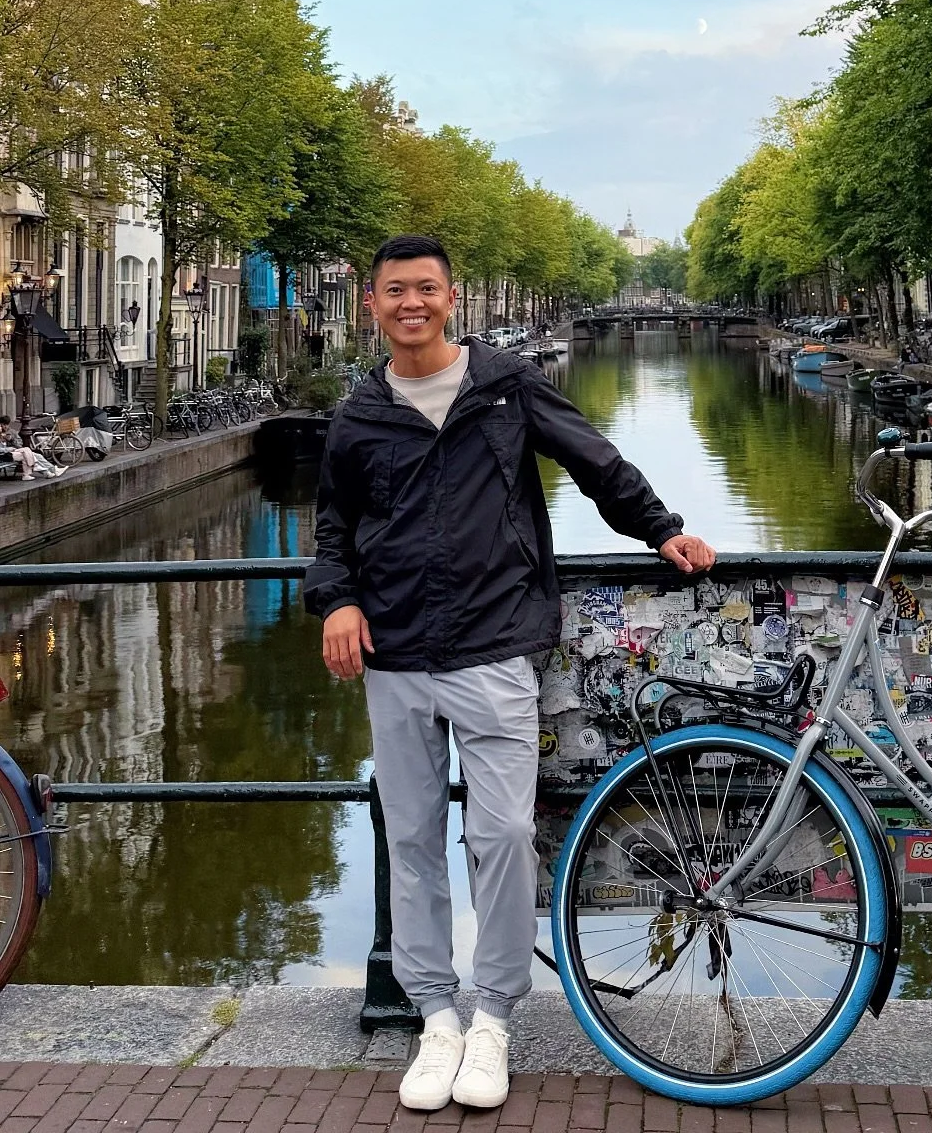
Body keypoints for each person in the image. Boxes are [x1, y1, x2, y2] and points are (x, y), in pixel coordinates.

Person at [305, 234, 716, 1114]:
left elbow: (593, 459)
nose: (410, 304)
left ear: (451, 300)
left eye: (425, 290)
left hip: (495, 645)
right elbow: (334, 525)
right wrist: (335, 600)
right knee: (411, 842)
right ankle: (434, 1018)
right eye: (393, 293)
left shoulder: (504, 386)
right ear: (371, 307)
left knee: (500, 840)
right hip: (397, 653)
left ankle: (492, 1016)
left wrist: (661, 530)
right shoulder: (357, 415)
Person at [0, 416, 66, 479]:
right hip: (9, 454)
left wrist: (12, 440)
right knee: (30, 455)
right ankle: (49, 471)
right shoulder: (0, 435)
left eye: (6, 425)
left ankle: (51, 470)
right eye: (2, 425)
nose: (4, 427)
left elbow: (20, 443)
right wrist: (9, 448)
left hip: (17, 451)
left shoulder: (12, 432)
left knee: (37, 455)